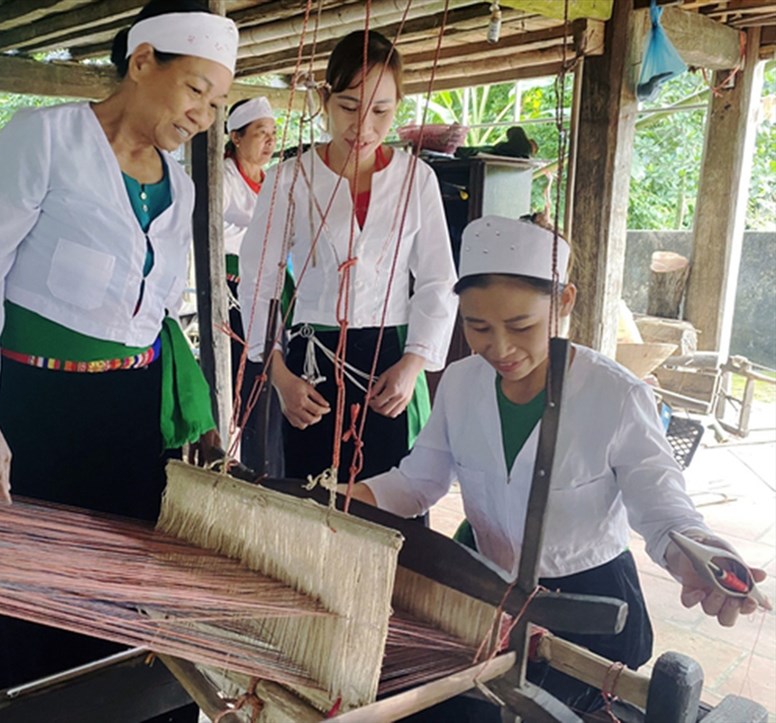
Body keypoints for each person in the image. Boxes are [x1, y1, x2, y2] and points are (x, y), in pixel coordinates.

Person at [351, 215, 768, 716]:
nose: (498, 348)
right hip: (492, 597)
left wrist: (695, 557)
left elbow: (664, 510)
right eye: (477, 326)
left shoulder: (615, 395)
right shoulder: (460, 385)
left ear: (564, 303)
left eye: (521, 326)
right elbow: (417, 482)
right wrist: (337, 502)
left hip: (591, 611)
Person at [0, 0, 236, 704]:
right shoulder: (43, 141)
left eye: (217, 102)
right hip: (39, 407)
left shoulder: (183, 184)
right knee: (38, 586)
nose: (203, 114)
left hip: (131, 408)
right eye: (196, 89)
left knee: (130, 584)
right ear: (142, 62)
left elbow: (157, 310)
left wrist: (185, 414)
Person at [239, 30, 458, 485]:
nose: (365, 126)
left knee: (387, 493)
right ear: (325, 98)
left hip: (390, 360)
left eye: (381, 111)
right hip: (310, 357)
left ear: (399, 104)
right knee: (310, 490)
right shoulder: (289, 179)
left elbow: (438, 280)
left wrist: (413, 365)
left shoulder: (416, 180)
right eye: (349, 107)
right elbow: (259, 279)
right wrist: (278, 375)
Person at [221, 96, 284, 476]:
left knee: (275, 380)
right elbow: (214, 226)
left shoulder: (275, 181)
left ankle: (271, 466)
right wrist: (266, 237)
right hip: (233, 290)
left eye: (273, 134)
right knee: (248, 381)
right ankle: (245, 462)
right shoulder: (223, 178)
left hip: (272, 290)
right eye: (261, 133)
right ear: (236, 136)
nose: (270, 141)